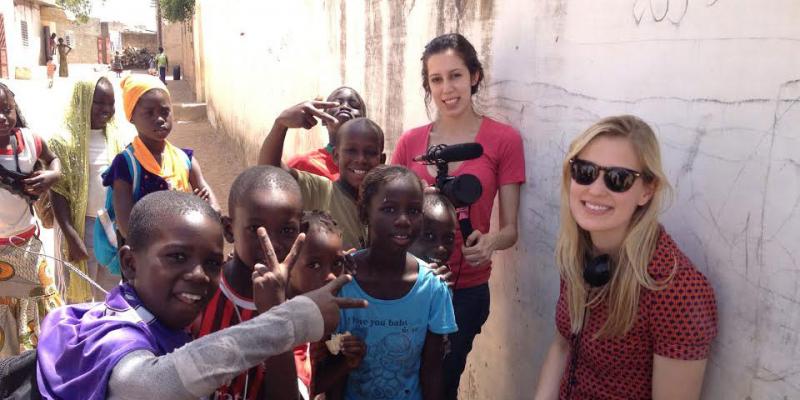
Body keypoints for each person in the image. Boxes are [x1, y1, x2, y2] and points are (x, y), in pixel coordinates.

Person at [36, 190, 368, 400]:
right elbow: (149, 386)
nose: (198, 275)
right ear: (130, 263)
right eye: (177, 257)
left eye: (211, 262)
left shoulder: (166, 325)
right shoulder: (114, 333)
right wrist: (294, 319)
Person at [533, 116, 718, 399]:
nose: (595, 189)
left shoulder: (678, 290)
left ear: (647, 190)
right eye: (584, 171)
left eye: (617, 179)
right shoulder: (579, 253)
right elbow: (562, 345)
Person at [392, 33, 525, 398]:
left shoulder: (504, 140)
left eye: (456, 76)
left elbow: (510, 229)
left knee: (441, 382)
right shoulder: (410, 143)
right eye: (436, 79)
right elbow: (387, 217)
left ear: (474, 77)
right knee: (398, 378)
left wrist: (490, 242)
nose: (447, 88)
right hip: (407, 284)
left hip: (464, 291)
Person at [329, 165, 457, 399]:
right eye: (389, 209)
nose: (403, 220)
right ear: (365, 213)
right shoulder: (343, 281)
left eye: (414, 211)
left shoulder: (433, 288)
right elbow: (332, 366)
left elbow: (432, 370)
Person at [193, 165, 306, 400]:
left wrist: (276, 311)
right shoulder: (199, 293)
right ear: (229, 229)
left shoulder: (301, 307)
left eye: (286, 230)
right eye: (256, 229)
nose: (271, 244)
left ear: (301, 231)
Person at [49, 77, 136, 302]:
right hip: (80, 227)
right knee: (78, 295)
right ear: (83, 101)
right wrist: (71, 236)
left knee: (107, 291)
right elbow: (58, 193)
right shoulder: (64, 141)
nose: (107, 109)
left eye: (111, 103)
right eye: (99, 103)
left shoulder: (118, 139)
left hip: (111, 227)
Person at [105, 74, 218, 247]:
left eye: (165, 112)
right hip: (148, 263)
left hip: (184, 253)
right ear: (132, 117)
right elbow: (126, 227)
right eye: (149, 113)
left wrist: (204, 209)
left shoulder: (185, 160)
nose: (159, 119)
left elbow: (214, 209)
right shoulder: (126, 164)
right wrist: (190, 210)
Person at [259, 102, 386, 250]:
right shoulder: (321, 190)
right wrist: (280, 125)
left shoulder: (384, 201)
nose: (361, 159)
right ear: (336, 156)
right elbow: (270, 170)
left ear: (382, 160)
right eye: (351, 151)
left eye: (370, 153)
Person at [0, 83, 63, 356]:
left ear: (15, 109)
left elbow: (54, 159)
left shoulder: (30, 141)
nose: (2, 118)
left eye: (6, 110)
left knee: (34, 312)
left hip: (28, 247)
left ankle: (34, 368)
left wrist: (52, 175)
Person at [286, 211, 366, 399]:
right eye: (314, 265)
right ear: (288, 265)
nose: (330, 276)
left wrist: (346, 362)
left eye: (337, 263)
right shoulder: (277, 315)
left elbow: (312, 383)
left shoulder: (328, 315)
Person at [286, 86, 367, 180]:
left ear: (365, 122)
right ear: (323, 119)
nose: (345, 106)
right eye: (337, 104)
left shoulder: (371, 169)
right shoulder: (302, 165)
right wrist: (281, 125)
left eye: (354, 105)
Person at [409, 192, 457, 266]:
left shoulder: (439, 276)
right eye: (429, 236)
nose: (440, 248)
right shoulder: (389, 274)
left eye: (448, 239)